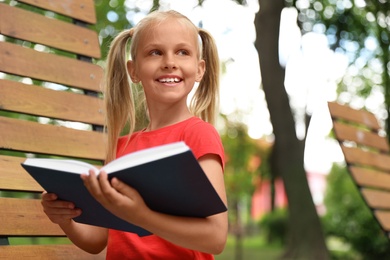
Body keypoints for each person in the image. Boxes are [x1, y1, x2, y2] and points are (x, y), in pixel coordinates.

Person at [41, 9, 227, 259]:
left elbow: (215, 238)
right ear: (134, 70)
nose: (169, 61)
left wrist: (142, 216)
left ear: (199, 68)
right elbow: (97, 241)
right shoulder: (120, 149)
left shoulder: (199, 135)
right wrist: (65, 220)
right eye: (155, 52)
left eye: (182, 52)